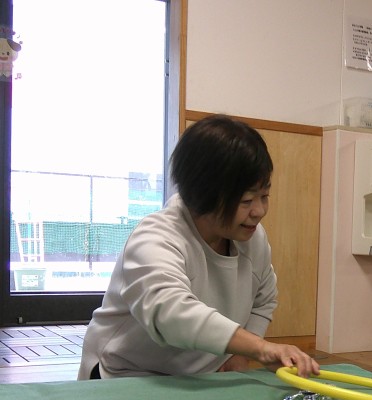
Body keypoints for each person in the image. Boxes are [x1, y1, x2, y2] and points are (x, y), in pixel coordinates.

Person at [78, 115, 319, 380]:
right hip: (125, 373)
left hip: (198, 376)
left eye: (264, 196)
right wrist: (259, 348)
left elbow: (264, 300)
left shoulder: (253, 238)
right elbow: (173, 314)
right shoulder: (155, 238)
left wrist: (241, 352)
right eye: (247, 200)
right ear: (204, 194)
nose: (259, 211)